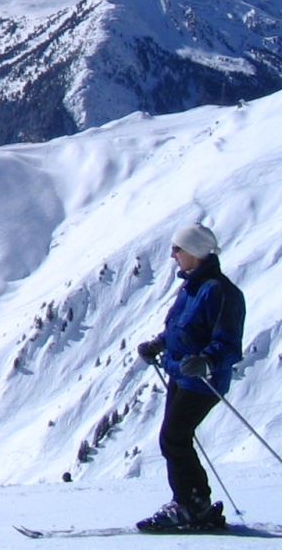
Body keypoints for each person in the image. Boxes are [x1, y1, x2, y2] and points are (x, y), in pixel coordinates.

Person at [136, 222, 245, 532]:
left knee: (174, 438)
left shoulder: (222, 292)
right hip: (182, 376)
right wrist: (159, 343)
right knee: (175, 438)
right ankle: (191, 502)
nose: (173, 255)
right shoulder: (193, 287)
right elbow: (181, 328)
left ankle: (191, 505)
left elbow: (229, 343)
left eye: (177, 249)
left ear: (194, 252)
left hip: (204, 381)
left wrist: (207, 361)